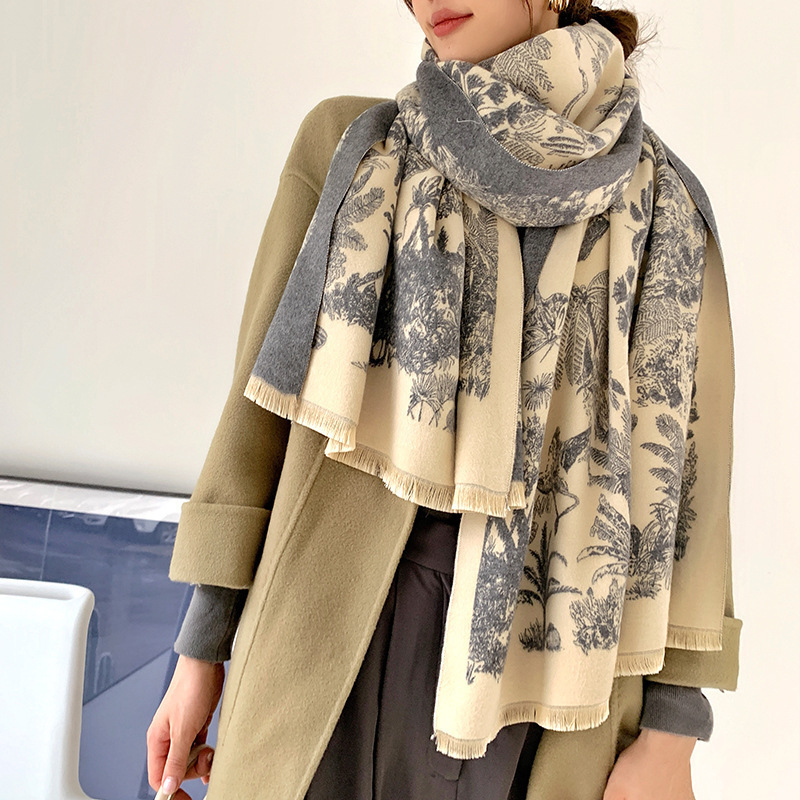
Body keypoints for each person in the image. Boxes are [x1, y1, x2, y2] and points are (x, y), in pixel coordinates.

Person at [147, 2, 742, 799]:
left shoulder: (667, 214)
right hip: (325, 641)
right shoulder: (354, 148)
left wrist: (674, 732)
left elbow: (689, 490)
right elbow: (254, 421)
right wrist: (200, 651)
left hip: (547, 691)